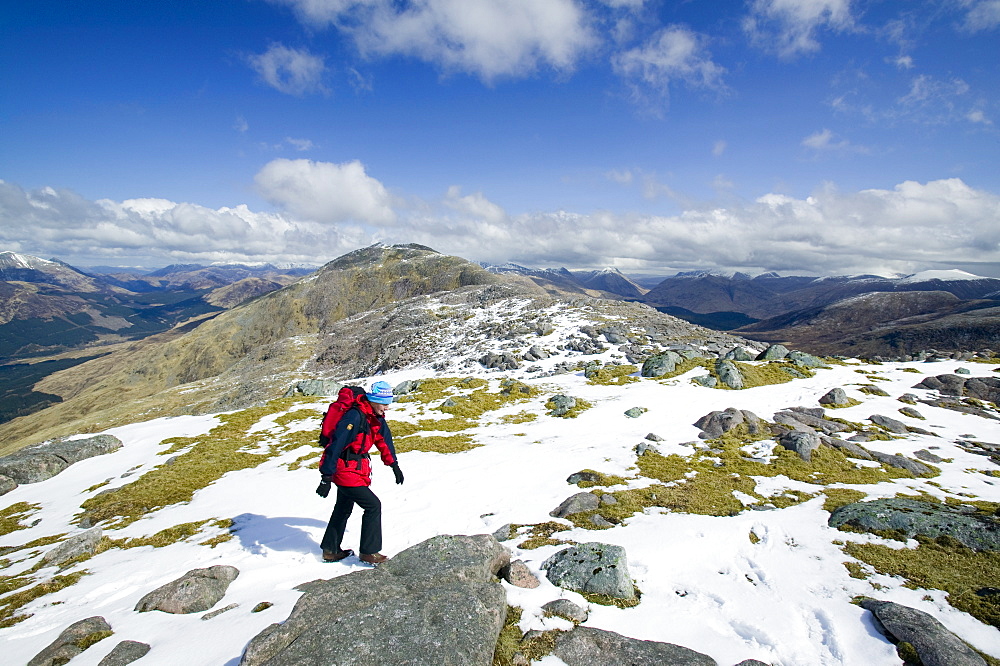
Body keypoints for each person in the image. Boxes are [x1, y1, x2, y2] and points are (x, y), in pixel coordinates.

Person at [316, 380, 404, 564]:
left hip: (356, 469)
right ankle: (369, 552)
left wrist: (394, 465)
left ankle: (330, 550)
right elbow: (336, 444)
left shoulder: (375, 417)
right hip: (345, 470)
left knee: (343, 508)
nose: (387, 408)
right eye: (384, 403)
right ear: (373, 400)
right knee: (373, 506)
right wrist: (326, 476)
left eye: (389, 404)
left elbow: (384, 440)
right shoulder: (355, 416)